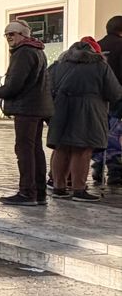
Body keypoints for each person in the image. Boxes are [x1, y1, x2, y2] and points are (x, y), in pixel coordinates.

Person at [0, 21, 53, 206]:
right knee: (34, 149)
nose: (9, 38)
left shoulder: (24, 52)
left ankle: (27, 193)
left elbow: (14, 85)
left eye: (12, 34)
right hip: (37, 107)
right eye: (6, 34)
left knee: (24, 150)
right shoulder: (37, 50)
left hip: (27, 108)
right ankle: (39, 193)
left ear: (24, 35)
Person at [48, 38, 122, 202]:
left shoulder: (59, 65)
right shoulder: (100, 66)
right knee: (82, 149)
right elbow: (115, 93)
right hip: (89, 111)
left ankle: (58, 187)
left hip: (61, 110)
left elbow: (48, 86)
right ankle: (79, 189)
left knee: (62, 147)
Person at [91, 15, 122, 184]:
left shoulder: (97, 46)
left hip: (98, 98)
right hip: (118, 98)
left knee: (101, 131)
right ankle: (115, 169)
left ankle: (98, 164)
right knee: (116, 133)